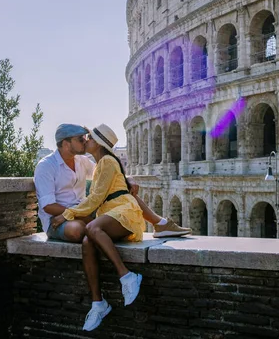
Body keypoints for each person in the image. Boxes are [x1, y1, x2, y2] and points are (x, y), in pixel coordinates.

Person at [50, 124, 145, 331]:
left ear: (98, 143)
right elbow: (97, 199)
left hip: (124, 212)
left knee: (92, 229)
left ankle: (127, 276)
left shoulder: (108, 161)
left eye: (89, 138)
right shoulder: (100, 163)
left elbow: (94, 200)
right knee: (87, 242)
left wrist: (67, 214)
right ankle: (98, 303)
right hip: (111, 215)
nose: (85, 141)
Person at [34, 123, 191, 242]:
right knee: (78, 230)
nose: (85, 141)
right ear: (66, 143)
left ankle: (160, 223)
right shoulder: (46, 166)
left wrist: (127, 178)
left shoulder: (81, 161)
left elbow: (109, 173)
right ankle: (158, 224)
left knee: (123, 192)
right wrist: (75, 213)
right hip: (58, 220)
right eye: (80, 139)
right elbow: (48, 206)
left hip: (83, 212)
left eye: (86, 138)